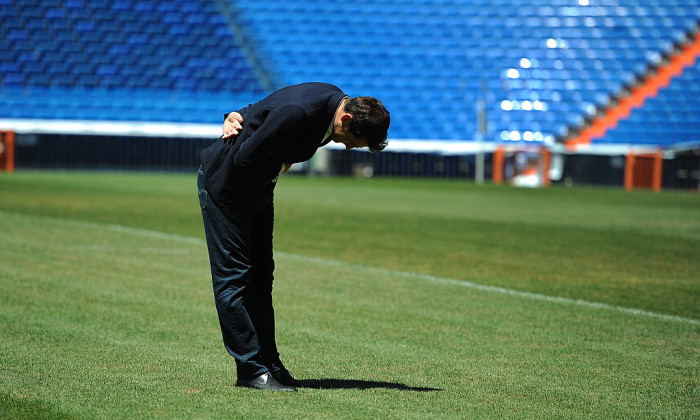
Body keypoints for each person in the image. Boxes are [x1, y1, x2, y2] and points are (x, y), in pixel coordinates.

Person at [197, 82, 390, 391]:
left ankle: (270, 365)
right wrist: (284, 163)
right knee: (235, 279)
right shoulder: (302, 113)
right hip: (227, 188)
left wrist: (234, 114)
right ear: (348, 120)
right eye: (354, 141)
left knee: (261, 278)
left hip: (258, 189)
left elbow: (263, 108)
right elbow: (244, 158)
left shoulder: (332, 103)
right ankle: (250, 370)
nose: (350, 148)